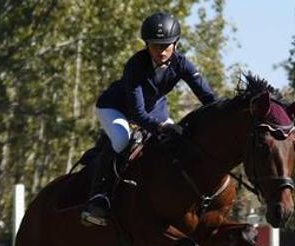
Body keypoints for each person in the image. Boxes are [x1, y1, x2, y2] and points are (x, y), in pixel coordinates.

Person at [81, 11, 218, 227]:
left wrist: (223, 113)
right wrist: (161, 126)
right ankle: (99, 197)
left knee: (178, 144)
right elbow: (137, 113)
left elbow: (208, 98)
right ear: (146, 45)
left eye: (166, 45)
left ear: (176, 44)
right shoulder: (135, 65)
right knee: (121, 140)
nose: (161, 51)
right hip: (116, 108)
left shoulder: (183, 64)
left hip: (154, 109)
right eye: (155, 45)